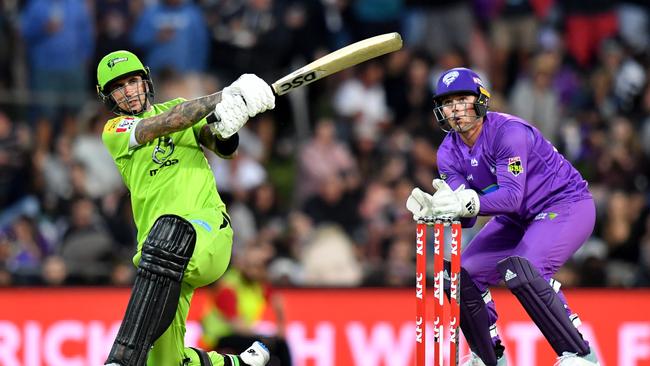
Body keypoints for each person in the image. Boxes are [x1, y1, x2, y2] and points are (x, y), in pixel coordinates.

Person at [406, 67, 599, 366]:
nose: (455, 109)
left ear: (481, 100)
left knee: (524, 267)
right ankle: (489, 356)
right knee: (458, 275)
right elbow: (467, 214)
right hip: (517, 220)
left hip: (565, 204)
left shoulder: (509, 132)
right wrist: (442, 210)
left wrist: (465, 203)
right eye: (447, 102)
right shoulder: (447, 152)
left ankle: (580, 353)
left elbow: (511, 196)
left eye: (461, 99)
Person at [96, 49, 274, 366]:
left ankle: (122, 359)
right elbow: (164, 123)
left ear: (145, 81)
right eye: (118, 88)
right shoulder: (115, 131)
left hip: (205, 232)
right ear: (108, 97)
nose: (128, 92)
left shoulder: (183, 111)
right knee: (164, 362)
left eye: (132, 81)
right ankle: (238, 364)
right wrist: (226, 95)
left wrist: (229, 125)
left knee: (167, 237)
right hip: (159, 262)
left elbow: (223, 148)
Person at [200, 244, 292, 366]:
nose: (254, 271)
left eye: (258, 267)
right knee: (262, 347)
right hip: (220, 338)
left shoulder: (257, 285)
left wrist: (281, 329)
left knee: (281, 344)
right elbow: (237, 324)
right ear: (242, 265)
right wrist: (264, 338)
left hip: (242, 335)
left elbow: (278, 301)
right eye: (251, 266)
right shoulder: (228, 287)